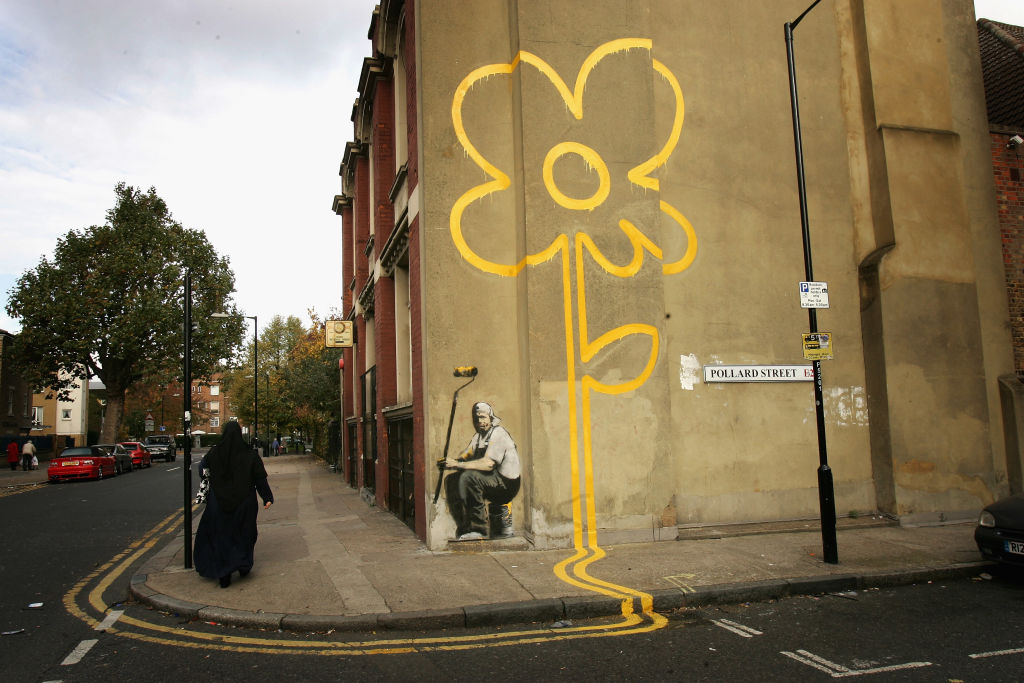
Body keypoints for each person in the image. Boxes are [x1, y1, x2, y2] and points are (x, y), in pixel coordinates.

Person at [193, 420, 274, 588]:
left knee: (221, 536)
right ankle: (243, 565)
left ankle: (224, 574)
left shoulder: (215, 452)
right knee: (244, 534)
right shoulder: (250, 454)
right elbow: (260, 478)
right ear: (239, 434)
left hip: (219, 503)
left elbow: (202, 469)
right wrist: (267, 498)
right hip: (244, 502)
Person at [443, 402, 521, 540]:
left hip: (507, 484)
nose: (480, 421)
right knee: (452, 480)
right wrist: (451, 462)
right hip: (491, 479)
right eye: (477, 418)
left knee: (469, 477)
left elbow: (488, 464)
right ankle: (464, 527)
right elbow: (466, 455)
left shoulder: (498, 434)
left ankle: (478, 529)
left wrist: (459, 464)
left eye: (483, 417)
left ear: (491, 418)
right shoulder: (478, 437)